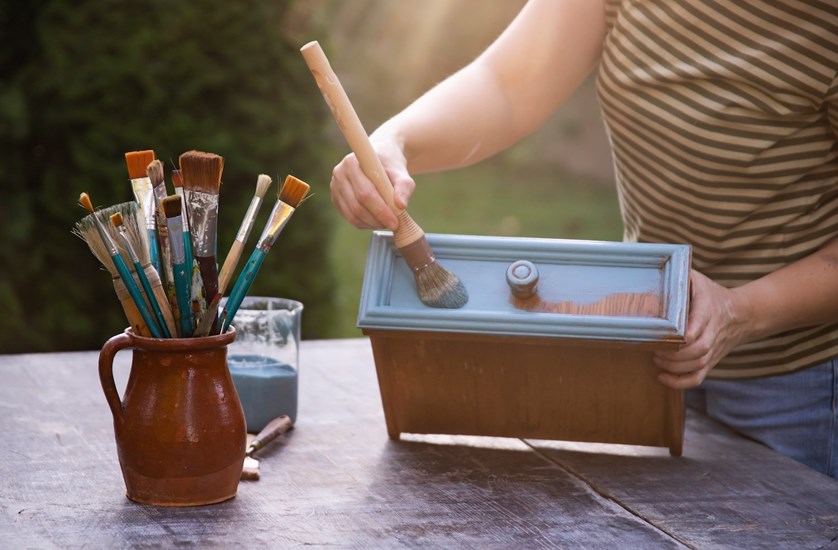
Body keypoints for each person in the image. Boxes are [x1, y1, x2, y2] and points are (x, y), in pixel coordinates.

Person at [329, 0, 838, 477]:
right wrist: (394, 144)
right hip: (647, 345)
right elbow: (508, 84)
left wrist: (738, 312)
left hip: (798, 385)